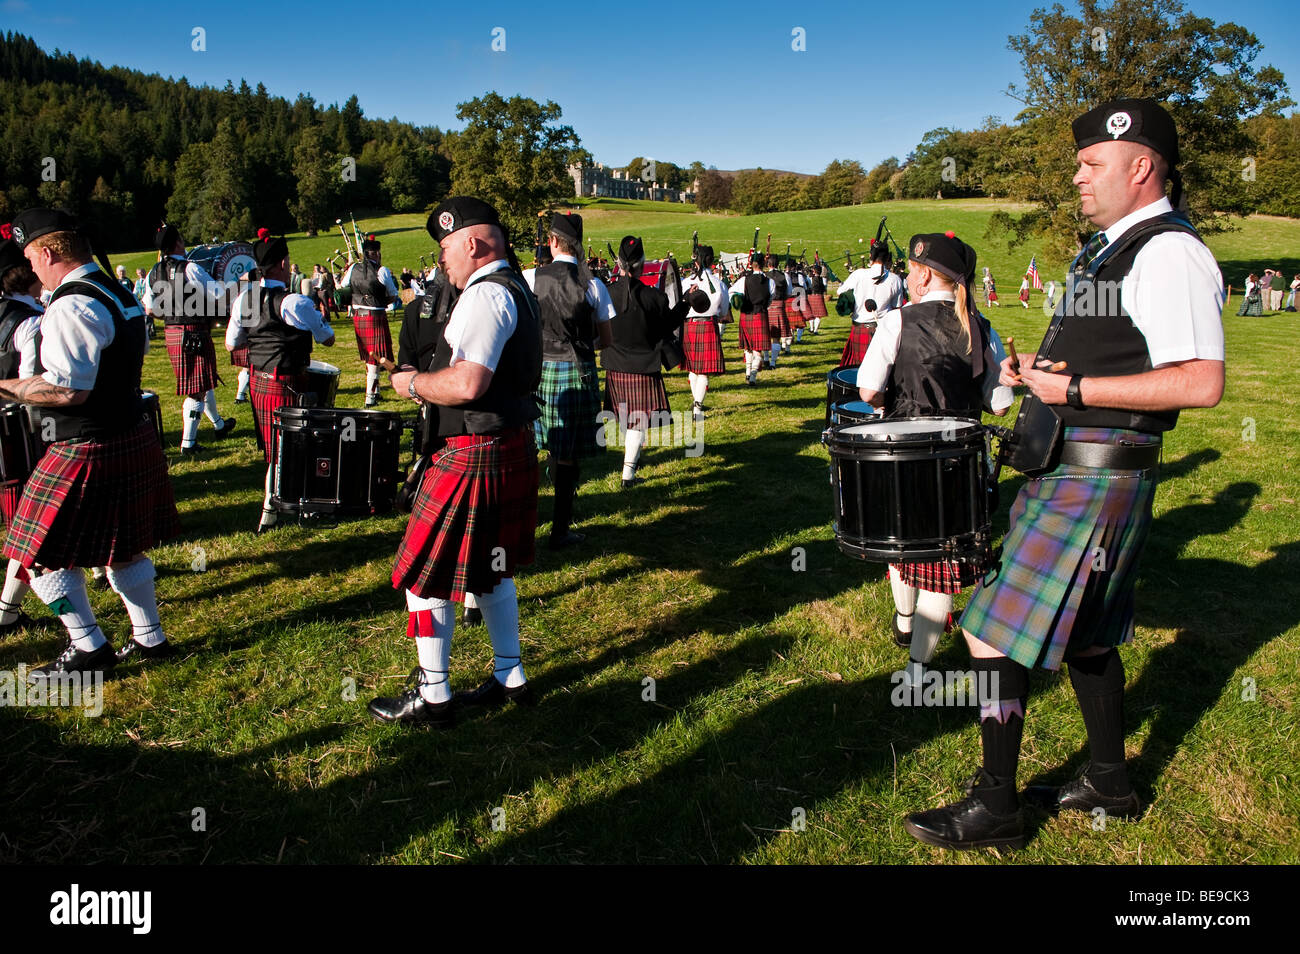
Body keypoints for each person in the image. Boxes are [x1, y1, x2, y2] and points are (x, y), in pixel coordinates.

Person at [903, 98, 1225, 850]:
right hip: (1076, 465)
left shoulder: (1168, 251)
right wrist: (1045, 373)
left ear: (1141, 167)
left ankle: (997, 808)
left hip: (1095, 471)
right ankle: (1110, 779)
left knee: (987, 631)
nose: (1077, 176)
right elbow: (1124, 354)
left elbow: (1200, 381)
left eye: (1091, 164)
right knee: (1089, 637)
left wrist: (1072, 391)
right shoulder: (1111, 248)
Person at [370, 197, 542, 726]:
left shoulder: (486, 294)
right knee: (493, 572)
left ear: (471, 243)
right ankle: (511, 676)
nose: (441, 259)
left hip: (474, 450)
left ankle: (434, 693)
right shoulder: (518, 288)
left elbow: (469, 383)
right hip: (506, 443)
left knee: (425, 577)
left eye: (444, 247)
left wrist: (411, 384)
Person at [1, 208, 181, 678]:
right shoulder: (115, 290)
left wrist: (9, 387)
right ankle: (150, 638)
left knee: (40, 555)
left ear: (47, 252)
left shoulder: (69, 304)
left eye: (31, 258)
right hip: (128, 432)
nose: (31, 269)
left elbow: (67, 390)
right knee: (124, 550)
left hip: (85, 442)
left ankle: (89, 649)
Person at [855, 231, 1011, 686]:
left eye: (911, 268)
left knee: (904, 543)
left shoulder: (896, 321)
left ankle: (907, 630)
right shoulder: (981, 326)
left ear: (923, 275)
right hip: (960, 463)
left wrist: (892, 401)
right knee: (942, 563)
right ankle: (918, 663)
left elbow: (866, 390)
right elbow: (999, 403)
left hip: (904, 456)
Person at [225, 233, 335, 533]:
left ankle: (271, 511)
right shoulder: (294, 302)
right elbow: (327, 338)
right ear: (283, 263)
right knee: (297, 445)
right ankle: (295, 507)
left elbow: (231, 343)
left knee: (275, 449)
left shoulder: (243, 301)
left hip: (259, 382)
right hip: (288, 381)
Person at [525, 212, 615, 548]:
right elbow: (606, 340)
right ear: (578, 245)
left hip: (538, 372)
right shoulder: (593, 284)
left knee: (531, 448)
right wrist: (581, 345)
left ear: (551, 242)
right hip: (577, 371)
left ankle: (522, 524)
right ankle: (560, 529)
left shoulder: (530, 276)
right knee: (566, 455)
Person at [603, 235, 693, 487]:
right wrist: (685, 303)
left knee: (627, 420)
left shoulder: (605, 293)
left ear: (619, 264)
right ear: (642, 265)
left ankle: (631, 462)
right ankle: (628, 476)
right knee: (636, 424)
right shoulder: (654, 298)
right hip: (642, 367)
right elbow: (667, 327)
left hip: (614, 364)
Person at [142, 223, 237, 454]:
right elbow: (219, 295)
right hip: (193, 330)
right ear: (178, 243)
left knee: (202, 381)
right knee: (196, 389)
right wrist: (242, 283)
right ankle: (189, 443)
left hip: (171, 331)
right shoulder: (190, 268)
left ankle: (219, 425)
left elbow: (151, 309)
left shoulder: (153, 271)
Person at [0, 232, 45, 633]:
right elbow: (31, 386)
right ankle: (5, 612)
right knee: (34, 526)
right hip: (19, 430)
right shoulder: (30, 322)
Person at [338, 234, 399, 406]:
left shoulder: (353, 268)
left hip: (358, 315)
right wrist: (381, 302)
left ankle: (377, 391)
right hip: (376, 315)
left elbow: (343, 286)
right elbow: (393, 295)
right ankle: (370, 397)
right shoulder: (382, 271)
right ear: (376, 254)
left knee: (370, 356)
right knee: (375, 358)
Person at [838, 241, 905, 367]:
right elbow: (897, 306)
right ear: (887, 257)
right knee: (881, 369)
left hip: (860, 329)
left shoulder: (858, 274)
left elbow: (840, 292)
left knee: (858, 370)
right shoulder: (895, 279)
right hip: (883, 329)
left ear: (870, 256)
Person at [680, 244, 726, 421]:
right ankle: (697, 409)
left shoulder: (686, 282)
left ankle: (696, 405)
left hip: (689, 326)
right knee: (703, 372)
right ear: (711, 261)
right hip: (708, 325)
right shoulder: (718, 283)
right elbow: (723, 311)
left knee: (693, 369)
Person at [733, 252, 772, 385]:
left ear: (751, 264)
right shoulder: (769, 281)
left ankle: (748, 372)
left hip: (746, 315)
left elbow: (731, 293)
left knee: (748, 348)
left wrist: (740, 301)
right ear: (763, 264)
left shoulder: (744, 280)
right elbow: (770, 298)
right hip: (760, 314)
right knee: (757, 350)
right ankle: (753, 377)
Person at [764, 253, 792, 363]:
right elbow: (789, 293)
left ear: (768, 264)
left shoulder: (764, 276)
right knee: (776, 337)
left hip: (767, 306)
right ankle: (773, 363)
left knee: (766, 334)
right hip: (780, 306)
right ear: (778, 264)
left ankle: (766, 358)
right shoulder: (785, 275)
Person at [805, 263, 828, 333]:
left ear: (814, 271)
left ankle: (811, 328)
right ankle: (815, 330)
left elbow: (807, 287)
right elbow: (824, 289)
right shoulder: (823, 279)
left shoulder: (809, 278)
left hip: (811, 296)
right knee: (818, 315)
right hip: (819, 296)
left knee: (811, 314)